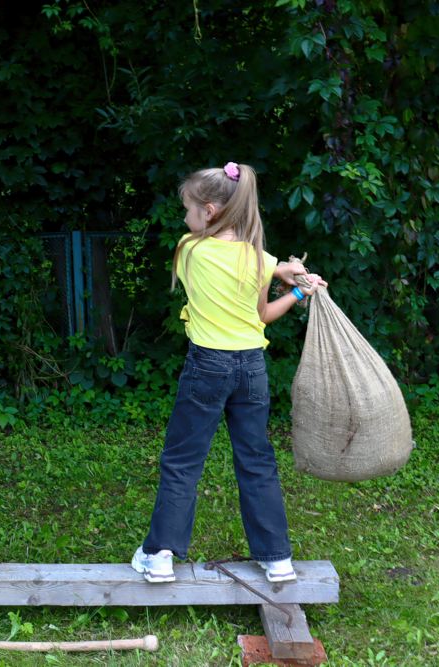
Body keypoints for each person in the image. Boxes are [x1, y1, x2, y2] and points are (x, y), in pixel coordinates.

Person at [132, 161, 325, 584]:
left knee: (183, 460)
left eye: (188, 208)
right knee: (257, 460)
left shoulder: (189, 249)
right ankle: (278, 559)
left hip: (207, 366)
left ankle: (160, 556)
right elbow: (263, 315)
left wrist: (280, 271)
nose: (185, 217)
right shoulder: (258, 258)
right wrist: (296, 288)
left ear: (210, 211)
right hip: (251, 368)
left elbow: (215, 259)